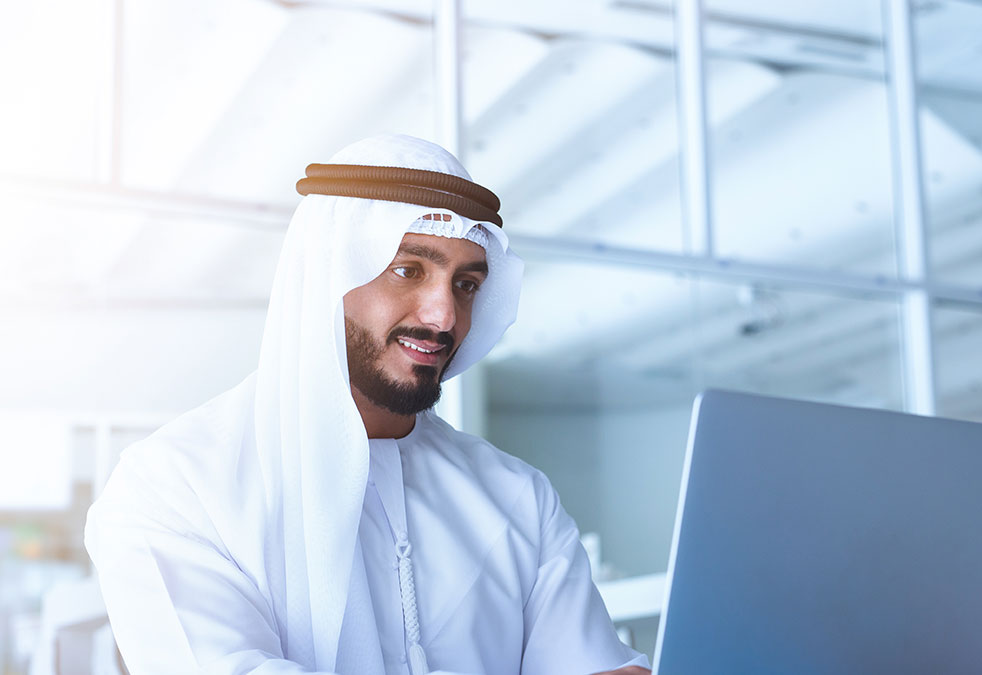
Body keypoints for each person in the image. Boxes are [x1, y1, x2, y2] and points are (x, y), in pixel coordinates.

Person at [84, 135, 652, 675]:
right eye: (409, 270)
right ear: (328, 273)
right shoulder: (175, 484)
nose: (444, 316)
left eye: (466, 284)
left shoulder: (518, 496)